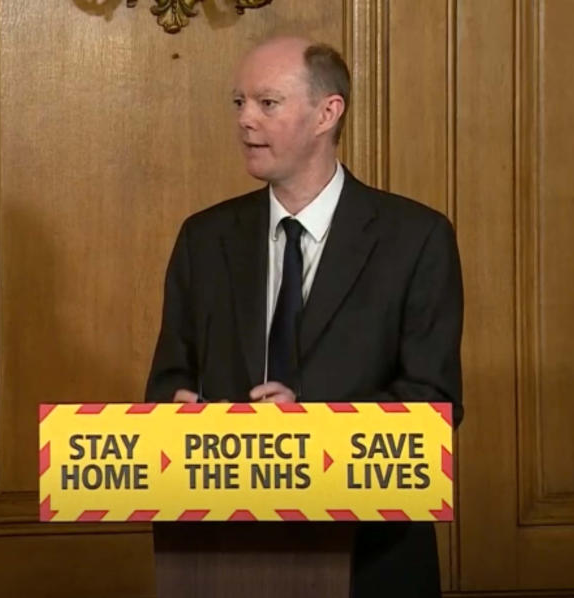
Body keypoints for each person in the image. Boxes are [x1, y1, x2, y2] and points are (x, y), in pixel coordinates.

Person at [145, 35, 463, 598]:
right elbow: (169, 377)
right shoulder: (204, 238)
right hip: (219, 550)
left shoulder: (415, 238)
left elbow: (433, 404)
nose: (245, 120)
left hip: (370, 554)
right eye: (238, 102)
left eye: (267, 103)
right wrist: (176, 410)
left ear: (327, 112)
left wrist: (312, 428)